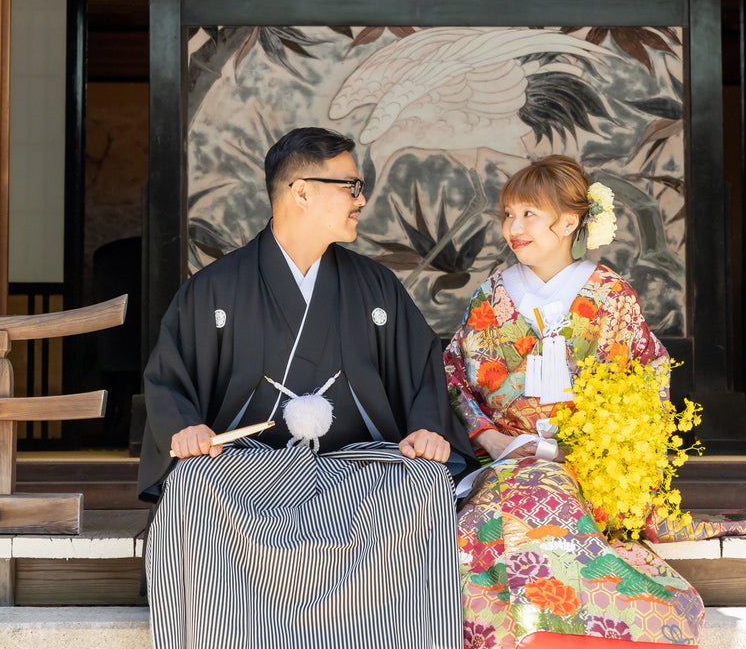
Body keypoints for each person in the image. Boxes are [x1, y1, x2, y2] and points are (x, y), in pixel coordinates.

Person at [139, 126, 476, 649]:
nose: (361, 199)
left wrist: (429, 430)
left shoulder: (375, 286)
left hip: (360, 470)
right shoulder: (215, 289)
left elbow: (421, 373)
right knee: (192, 489)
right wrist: (184, 429)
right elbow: (171, 379)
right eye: (351, 186)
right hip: (244, 472)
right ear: (301, 191)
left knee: (422, 486)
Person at [444, 155, 704, 649]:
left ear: (568, 222)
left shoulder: (610, 296)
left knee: (535, 497)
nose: (512, 228)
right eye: (507, 215)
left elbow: (644, 385)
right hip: (501, 458)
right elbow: (455, 372)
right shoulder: (489, 296)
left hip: (585, 468)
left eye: (528, 215)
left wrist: (588, 453)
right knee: (487, 518)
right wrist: (491, 436)